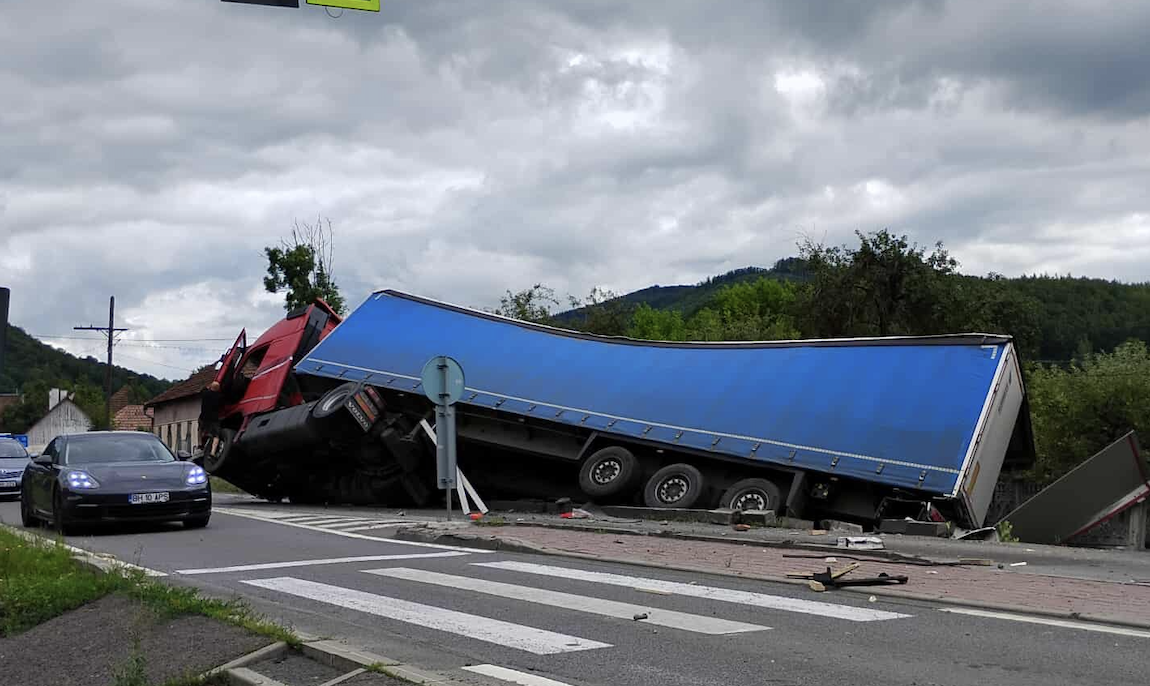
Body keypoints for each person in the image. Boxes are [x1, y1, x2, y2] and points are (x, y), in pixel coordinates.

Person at [198, 381, 222, 450]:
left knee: (200, 429)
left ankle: (200, 444)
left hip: (203, 417)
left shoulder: (205, 394)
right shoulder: (219, 397)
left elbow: (202, 390)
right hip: (214, 419)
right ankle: (212, 452)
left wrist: (208, 387)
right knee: (216, 436)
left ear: (211, 387)